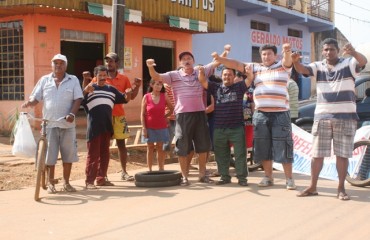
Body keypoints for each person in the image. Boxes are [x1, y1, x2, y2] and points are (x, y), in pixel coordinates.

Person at [212, 43, 297, 190]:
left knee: (284, 146)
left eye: (269, 54)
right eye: (263, 54)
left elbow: (288, 60)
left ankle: (289, 179)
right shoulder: (255, 68)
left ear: (275, 55)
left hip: (281, 113)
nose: (266, 56)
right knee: (263, 147)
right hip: (260, 114)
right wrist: (220, 58)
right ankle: (268, 177)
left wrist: (287, 51)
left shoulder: (283, 66)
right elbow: (237, 64)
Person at [292, 38, 367, 200]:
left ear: (338, 50)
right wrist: (295, 62)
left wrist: (353, 52)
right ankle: (312, 186)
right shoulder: (318, 66)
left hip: (345, 118)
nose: (328, 52)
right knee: (317, 155)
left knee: (342, 155)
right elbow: (303, 70)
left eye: (332, 49)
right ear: (322, 52)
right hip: (322, 117)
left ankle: (341, 188)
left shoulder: (349, 63)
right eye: (325, 49)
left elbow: (363, 61)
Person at [146, 51, 220, 186]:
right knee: (183, 146)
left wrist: (222, 54)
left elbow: (217, 62)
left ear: (193, 60)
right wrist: (150, 66)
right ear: (180, 63)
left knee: (203, 146)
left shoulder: (200, 71)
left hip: (200, 113)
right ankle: (185, 176)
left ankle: (202, 175)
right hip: (183, 115)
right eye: (184, 59)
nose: (187, 61)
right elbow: (156, 76)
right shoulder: (173, 75)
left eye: (189, 58)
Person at [22, 53, 83, 193]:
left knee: (68, 154)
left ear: (66, 65)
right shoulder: (45, 80)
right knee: (50, 155)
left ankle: (67, 182)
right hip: (49, 124)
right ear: (52, 65)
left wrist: (72, 114)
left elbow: (78, 98)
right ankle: (51, 183)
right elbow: (36, 98)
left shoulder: (72, 80)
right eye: (56, 63)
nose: (58, 65)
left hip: (67, 124)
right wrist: (29, 103)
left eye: (61, 63)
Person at [83, 52, 141, 182]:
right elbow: (87, 92)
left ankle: (124, 172)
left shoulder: (124, 79)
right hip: (101, 118)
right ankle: (102, 176)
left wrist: (136, 87)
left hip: (119, 115)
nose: (109, 63)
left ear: (117, 63)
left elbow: (129, 97)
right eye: (107, 61)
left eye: (111, 61)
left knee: (121, 145)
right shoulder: (99, 77)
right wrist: (85, 81)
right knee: (102, 148)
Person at [199, 66, 253, 186]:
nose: (227, 77)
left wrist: (248, 72)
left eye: (229, 75)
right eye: (224, 74)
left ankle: (242, 179)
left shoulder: (239, 87)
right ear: (222, 76)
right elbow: (202, 81)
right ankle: (224, 177)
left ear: (234, 77)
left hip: (237, 127)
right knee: (221, 154)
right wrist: (201, 71)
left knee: (240, 154)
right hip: (219, 128)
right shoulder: (215, 87)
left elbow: (249, 79)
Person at [82, 65, 131, 189]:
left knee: (105, 154)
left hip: (107, 127)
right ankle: (89, 181)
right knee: (93, 155)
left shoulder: (111, 90)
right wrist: (85, 90)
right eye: (100, 76)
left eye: (105, 75)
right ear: (95, 76)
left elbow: (125, 99)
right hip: (94, 128)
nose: (103, 78)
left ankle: (101, 179)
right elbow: (80, 101)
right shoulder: (90, 89)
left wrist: (130, 92)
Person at [141, 79, 173, 171]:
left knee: (160, 147)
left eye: (160, 84)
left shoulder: (164, 96)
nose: (159, 86)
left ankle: (161, 168)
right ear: (151, 85)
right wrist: (144, 128)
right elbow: (142, 114)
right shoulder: (146, 97)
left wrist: (165, 116)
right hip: (149, 126)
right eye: (157, 84)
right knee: (150, 147)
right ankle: (149, 169)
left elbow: (172, 108)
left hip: (162, 126)